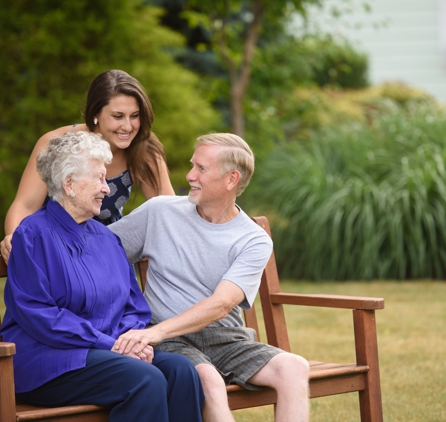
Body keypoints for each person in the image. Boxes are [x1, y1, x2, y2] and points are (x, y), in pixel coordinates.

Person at [0, 131, 203, 421]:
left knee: (182, 371)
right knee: (145, 379)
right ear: (69, 184)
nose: (106, 189)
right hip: (47, 359)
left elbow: (134, 306)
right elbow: (39, 313)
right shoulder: (32, 235)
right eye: (98, 179)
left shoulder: (107, 239)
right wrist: (110, 345)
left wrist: (130, 342)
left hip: (108, 350)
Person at [108, 133, 310, 422]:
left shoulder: (253, 239)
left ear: (231, 180)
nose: (190, 175)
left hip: (227, 339)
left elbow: (222, 304)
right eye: (193, 165)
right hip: (171, 338)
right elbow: (97, 252)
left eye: (201, 169)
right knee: (210, 382)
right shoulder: (160, 212)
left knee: (295, 368)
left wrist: (154, 334)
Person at [0, 69, 174, 264]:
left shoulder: (145, 149)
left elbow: (168, 212)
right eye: (118, 116)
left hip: (107, 256)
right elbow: (24, 205)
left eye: (134, 115)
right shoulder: (54, 144)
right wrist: (16, 238)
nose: (128, 126)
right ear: (96, 114)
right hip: (53, 252)